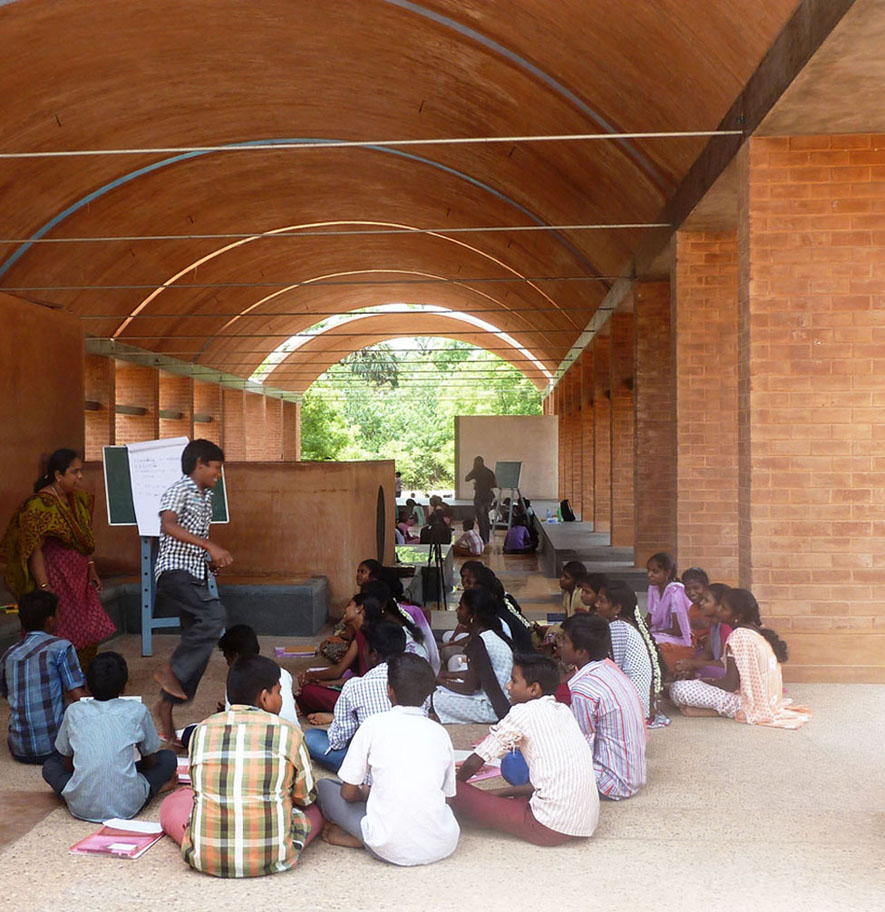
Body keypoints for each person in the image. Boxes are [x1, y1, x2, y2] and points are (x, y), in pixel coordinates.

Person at [160, 655, 323, 877]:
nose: (283, 699)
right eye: (279, 692)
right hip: (274, 857)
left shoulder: (202, 731)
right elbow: (305, 797)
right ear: (264, 698)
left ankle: (208, 844)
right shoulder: (289, 733)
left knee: (174, 802)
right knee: (316, 809)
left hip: (204, 860)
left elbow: (199, 790)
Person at [315, 653, 459, 865]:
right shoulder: (439, 732)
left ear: (389, 690)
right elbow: (447, 798)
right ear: (428, 695)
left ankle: (362, 839)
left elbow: (347, 793)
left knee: (325, 787)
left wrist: (366, 794)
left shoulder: (373, 725)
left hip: (389, 846)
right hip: (442, 843)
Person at [452, 654, 599, 846]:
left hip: (548, 827)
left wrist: (456, 790)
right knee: (516, 791)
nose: (508, 686)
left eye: (514, 681)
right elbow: (549, 780)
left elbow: (475, 760)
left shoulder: (523, 712)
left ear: (534, 689)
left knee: (445, 786)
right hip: (584, 821)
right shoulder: (564, 711)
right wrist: (499, 793)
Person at [1, 448, 116, 671]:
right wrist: (45, 587)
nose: (80, 476)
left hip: (80, 579)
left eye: (81, 471)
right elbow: (35, 550)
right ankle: (58, 679)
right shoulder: (39, 506)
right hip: (58, 578)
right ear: (57, 475)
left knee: (90, 628)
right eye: (75, 472)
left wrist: (91, 568)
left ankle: (82, 676)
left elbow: (84, 540)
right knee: (61, 629)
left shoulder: (78, 501)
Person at [152, 439, 233, 742]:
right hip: (174, 573)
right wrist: (209, 545)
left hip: (194, 574)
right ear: (199, 464)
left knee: (200, 643)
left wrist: (207, 561)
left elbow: (191, 539)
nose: (219, 474)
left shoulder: (205, 497)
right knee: (214, 617)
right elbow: (168, 525)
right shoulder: (181, 488)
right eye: (216, 468)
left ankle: (165, 707)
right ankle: (169, 670)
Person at [43, 652, 177, 822]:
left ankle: (83, 793)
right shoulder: (137, 710)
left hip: (81, 805)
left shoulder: (74, 711)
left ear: (88, 686)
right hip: (128, 804)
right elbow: (152, 762)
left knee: (50, 765)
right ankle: (155, 788)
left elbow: (68, 765)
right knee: (168, 758)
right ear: (124, 687)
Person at [669, 589, 811, 728]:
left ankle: (725, 711)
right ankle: (711, 709)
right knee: (691, 687)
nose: (718, 610)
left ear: (738, 616)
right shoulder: (754, 633)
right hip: (767, 700)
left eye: (724, 608)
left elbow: (729, 684)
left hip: (750, 702)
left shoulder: (739, 636)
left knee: (678, 689)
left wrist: (703, 682)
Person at [559, 614, 647, 799]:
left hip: (611, 783)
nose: (559, 645)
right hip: (632, 776)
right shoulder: (609, 670)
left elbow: (583, 745)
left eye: (564, 640)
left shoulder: (583, 688)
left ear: (581, 651)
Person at [303, 622, 407, 772]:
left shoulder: (356, 686)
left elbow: (338, 741)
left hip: (367, 765)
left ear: (374, 654)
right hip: (407, 758)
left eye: (364, 648)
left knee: (310, 737)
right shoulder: (414, 681)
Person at [179, 624, 299, 749]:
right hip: (289, 735)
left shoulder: (237, 680)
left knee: (192, 734)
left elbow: (233, 725)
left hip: (251, 740)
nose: (227, 663)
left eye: (227, 658)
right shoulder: (282, 672)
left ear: (234, 656)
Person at [0, 590, 86, 763]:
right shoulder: (61, 647)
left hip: (19, 749)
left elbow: (8, 693)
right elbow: (79, 698)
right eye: (58, 613)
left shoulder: (8, 655)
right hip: (54, 749)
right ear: (50, 621)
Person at [432, 587, 513, 724]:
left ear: (472, 615)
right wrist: (448, 676)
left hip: (493, 709)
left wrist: (441, 681)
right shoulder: (490, 635)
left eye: (461, 607)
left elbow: (468, 688)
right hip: (501, 702)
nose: (457, 611)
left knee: (433, 697)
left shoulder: (479, 642)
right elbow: (478, 675)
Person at [592, 580, 662, 723]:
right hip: (635, 701)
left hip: (632, 705)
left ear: (616, 608)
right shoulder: (624, 624)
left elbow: (614, 669)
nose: (596, 605)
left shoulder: (618, 627)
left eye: (602, 601)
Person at [297, 592, 372, 713]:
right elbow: (355, 678)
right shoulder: (359, 634)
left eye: (349, 605)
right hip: (360, 687)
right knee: (312, 689)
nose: (345, 609)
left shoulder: (365, 635)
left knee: (308, 692)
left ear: (359, 609)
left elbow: (338, 671)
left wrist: (311, 676)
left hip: (365, 695)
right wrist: (322, 683)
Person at [674, 583, 733, 680]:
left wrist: (694, 664)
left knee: (708, 670)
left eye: (706, 600)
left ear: (719, 606)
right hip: (716, 664)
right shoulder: (713, 624)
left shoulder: (726, 627)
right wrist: (689, 667)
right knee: (696, 657)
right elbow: (708, 652)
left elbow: (724, 663)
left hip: (726, 671)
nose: (701, 603)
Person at [646, 552, 693, 674]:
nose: (649, 575)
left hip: (681, 638)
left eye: (655, 571)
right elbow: (650, 618)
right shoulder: (653, 589)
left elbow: (677, 631)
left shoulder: (675, 592)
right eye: (648, 570)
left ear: (667, 573)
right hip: (662, 632)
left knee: (651, 640)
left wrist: (652, 633)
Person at [465, 456, 496, 544]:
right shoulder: (489, 472)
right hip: (488, 496)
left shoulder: (476, 471)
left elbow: (466, 478)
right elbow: (495, 484)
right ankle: (487, 537)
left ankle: (483, 538)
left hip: (480, 497)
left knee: (481, 518)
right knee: (486, 517)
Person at [682, 567, 712, 650]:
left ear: (706, 587)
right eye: (688, 589)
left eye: (696, 588)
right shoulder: (692, 609)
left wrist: (709, 625)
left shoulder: (714, 608)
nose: (692, 593)